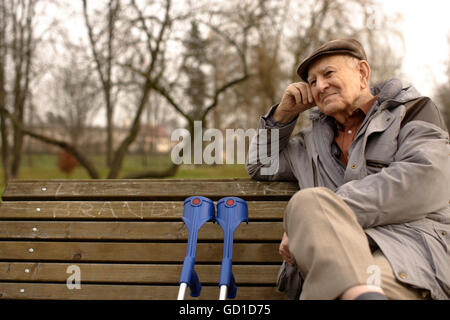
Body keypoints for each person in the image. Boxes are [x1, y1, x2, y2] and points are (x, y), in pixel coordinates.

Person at [246, 38, 449, 300]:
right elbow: (261, 165)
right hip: (330, 264)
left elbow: (425, 180)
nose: (320, 85)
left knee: (312, 204)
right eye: (312, 81)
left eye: (328, 73)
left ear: (362, 73)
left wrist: (322, 215)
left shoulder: (412, 112)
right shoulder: (308, 144)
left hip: (406, 255)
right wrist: (281, 117)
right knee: (308, 203)